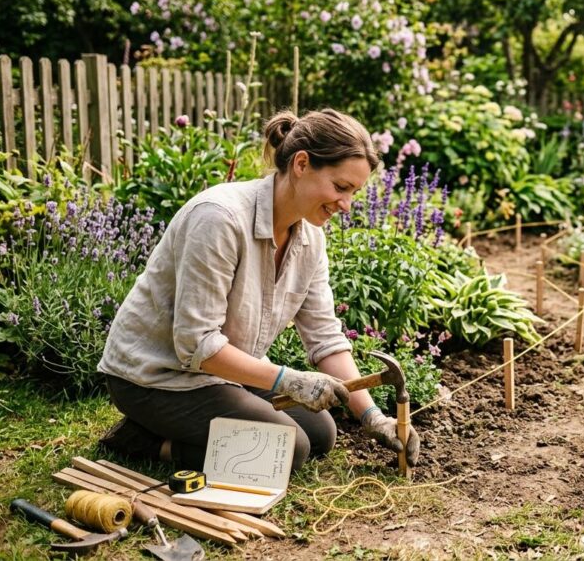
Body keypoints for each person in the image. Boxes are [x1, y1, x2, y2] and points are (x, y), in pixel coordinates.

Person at [97, 108, 420, 472]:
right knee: (288, 449)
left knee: (319, 435)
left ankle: (193, 430)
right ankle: (143, 441)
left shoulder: (310, 238)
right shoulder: (219, 219)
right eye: (340, 187)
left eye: (354, 192)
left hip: (222, 372)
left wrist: (373, 417)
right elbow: (196, 343)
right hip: (157, 376)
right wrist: (287, 379)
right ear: (301, 164)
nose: (346, 205)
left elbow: (325, 337)